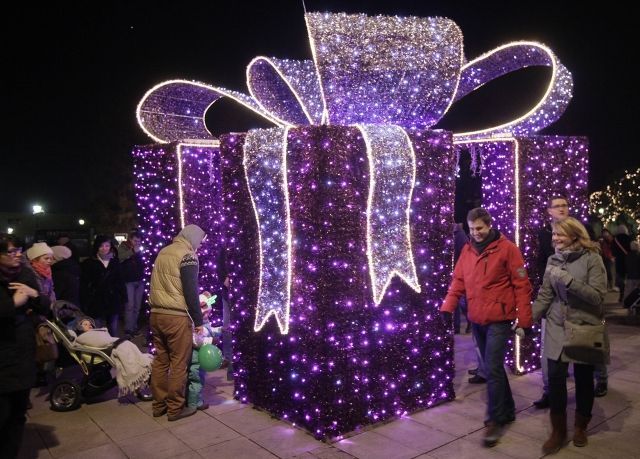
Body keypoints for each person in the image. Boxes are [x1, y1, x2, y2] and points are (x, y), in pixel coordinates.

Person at [440, 208, 532, 447]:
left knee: (491, 367)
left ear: (489, 225)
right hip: (477, 318)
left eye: (479, 228)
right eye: (471, 229)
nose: (475, 233)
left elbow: (522, 285)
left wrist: (524, 320)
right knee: (494, 368)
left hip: (499, 319)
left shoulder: (508, 249)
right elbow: (458, 280)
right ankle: (508, 409)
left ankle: (495, 419)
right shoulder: (467, 250)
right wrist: (447, 307)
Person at [531, 217, 608, 454]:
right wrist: (527, 319)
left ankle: (580, 427)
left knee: (584, 378)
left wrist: (570, 281)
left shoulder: (592, 259)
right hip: (556, 324)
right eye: (554, 234)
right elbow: (545, 294)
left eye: (560, 235)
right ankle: (558, 431)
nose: (555, 239)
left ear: (575, 235)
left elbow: (597, 296)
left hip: (583, 325)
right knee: (555, 378)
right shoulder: (553, 259)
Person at [0, 235, 52, 458]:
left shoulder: (24, 274)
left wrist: (34, 295)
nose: (17, 255)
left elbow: (45, 307)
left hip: (22, 353)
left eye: (19, 250)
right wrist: (14, 304)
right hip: (3, 356)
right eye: (11, 252)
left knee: (17, 415)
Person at [149, 224, 205, 422]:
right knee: (179, 364)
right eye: (200, 241)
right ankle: (175, 408)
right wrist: (198, 320)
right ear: (193, 238)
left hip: (156, 314)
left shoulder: (164, 251)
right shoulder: (188, 256)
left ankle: (158, 406)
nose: (200, 246)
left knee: (161, 361)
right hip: (176, 316)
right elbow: (190, 291)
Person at [533, 196, 570, 409]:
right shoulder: (544, 235)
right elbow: (541, 264)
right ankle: (550, 392)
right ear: (549, 211)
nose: (562, 209)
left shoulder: (580, 230)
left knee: (583, 351)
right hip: (553, 301)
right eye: (557, 206)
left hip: (575, 304)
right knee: (548, 354)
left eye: (564, 205)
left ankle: (598, 378)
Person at [71, 316, 153, 399]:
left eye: (91, 325)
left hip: (113, 345)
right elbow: (102, 342)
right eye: (85, 324)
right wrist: (114, 342)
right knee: (126, 348)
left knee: (128, 346)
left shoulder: (95, 333)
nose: (90, 326)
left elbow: (105, 339)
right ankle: (138, 371)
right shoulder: (84, 337)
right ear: (79, 328)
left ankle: (140, 366)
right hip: (112, 347)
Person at [80, 235, 127, 337]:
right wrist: (85, 300)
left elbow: (120, 281)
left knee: (113, 330)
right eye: (101, 246)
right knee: (98, 330)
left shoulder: (115, 262)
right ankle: (99, 351)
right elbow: (84, 283)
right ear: (97, 247)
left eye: (107, 245)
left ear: (110, 246)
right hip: (97, 300)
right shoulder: (89, 263)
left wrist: (123, 297)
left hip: (113, 299)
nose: (104, 248)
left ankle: (113, 351)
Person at [187, 292, 223, 411]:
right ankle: (194, 403)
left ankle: (194, 400)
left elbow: (209, 330)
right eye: (205, 312)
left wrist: (220, 330)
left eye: (208, 313)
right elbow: (197, 341)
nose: (207, 315)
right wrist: (211, 341)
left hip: (200, 359)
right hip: (195, 358)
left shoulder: (204, 322)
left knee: (199, 380)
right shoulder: (196, 324)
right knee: (196, 381)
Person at [118, 230, 145, 337]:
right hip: (128, 281)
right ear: (130, 240)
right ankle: (128, 329)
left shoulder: (142, 249)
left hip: (140, 280)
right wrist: (133, 251)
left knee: (137, 306)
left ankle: (133, 327)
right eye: (135, 241)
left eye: (139, 241)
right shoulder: (124, 247)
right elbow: (120, 257)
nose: (137, 243)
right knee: (130, 305)